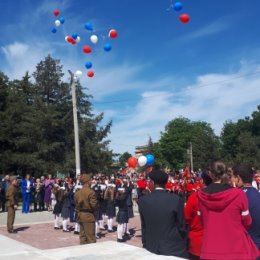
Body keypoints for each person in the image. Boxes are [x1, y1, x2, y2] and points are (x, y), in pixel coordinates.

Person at [197, 161, 259, 260]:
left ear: (210, 174)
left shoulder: (201, 196)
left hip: (210, 249)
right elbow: (247, 222)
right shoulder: (238, 194)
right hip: (236, 249)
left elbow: (201, 221)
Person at [138, 170, 188, 258]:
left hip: (151, 246)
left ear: (152, 182)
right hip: (173, 247)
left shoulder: (143, 200)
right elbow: (182, 225)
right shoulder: (176, 199)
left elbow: (144, 226)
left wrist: (145, 243)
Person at [231, 165, 260, 251]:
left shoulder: (237, 197)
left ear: (238, 178)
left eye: (233, 176)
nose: (231, 179)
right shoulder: (257, 194)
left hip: (244, 247)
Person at [75, 174, 99, 245]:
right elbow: (94, 205)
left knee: (82, 237)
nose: (91, 182)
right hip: (89, 216)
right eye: (90, 180)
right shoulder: (91, 192)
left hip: (80, 215)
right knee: (91, 238)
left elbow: (76, 205)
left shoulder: (77, 193)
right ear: (87, 182)